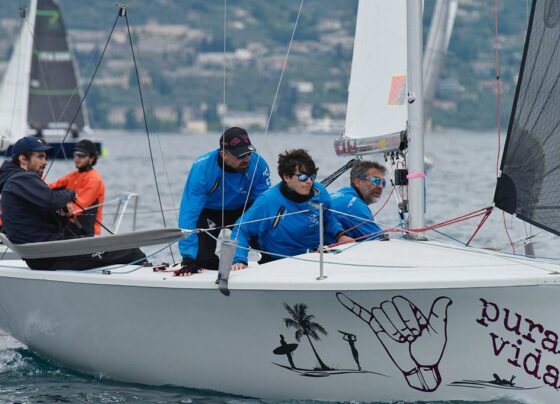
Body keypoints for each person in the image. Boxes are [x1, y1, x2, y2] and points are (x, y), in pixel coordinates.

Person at [1, 136, 146, 271]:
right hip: (53, 254)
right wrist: (70, 194)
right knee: (132, 251)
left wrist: (62, 214)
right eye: (40, 157)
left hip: (51, 251)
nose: (45, 162)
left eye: (45, 157)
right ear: (23, 159)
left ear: (91, 158)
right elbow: (52, 199)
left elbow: (47, 207)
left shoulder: (16, 180)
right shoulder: (20, 179)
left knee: (122, 250)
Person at [231, 149, 353, 270]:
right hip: (280, 263)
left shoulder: (319, 191)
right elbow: (241, 229)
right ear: (287, 177)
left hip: (317, 256)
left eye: (312, 176)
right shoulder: (268, 201)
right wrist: (239, 260)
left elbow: (329, 219)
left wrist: (340, 236)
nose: (309, 181)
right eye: (303, 177)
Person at [178, 127, 271, 273]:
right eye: (241, 156)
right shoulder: (202, 168)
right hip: (210, 212)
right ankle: (223, 271)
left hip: (244, 210)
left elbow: (264, 204)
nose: (247, 159)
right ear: (224, 154)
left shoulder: (258, 164)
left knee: (270, 249)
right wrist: (188, 257)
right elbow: (188, 213)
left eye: (249, 153)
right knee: (201, 259)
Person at [49, 139, 105, 237]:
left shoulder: (94, 179)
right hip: (70, 224)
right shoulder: (72, 176)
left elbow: (78, 207)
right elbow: (48, 188)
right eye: (75, 154)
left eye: (81, 155)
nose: (77, 158)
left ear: (92, 158)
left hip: (86, 231)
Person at [330, 160, 386, 240]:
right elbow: (380, 240)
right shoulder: (354, 205)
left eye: (383, 183)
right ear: (358, 182)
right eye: (376, 180)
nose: (381, 186)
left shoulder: (342, 193)